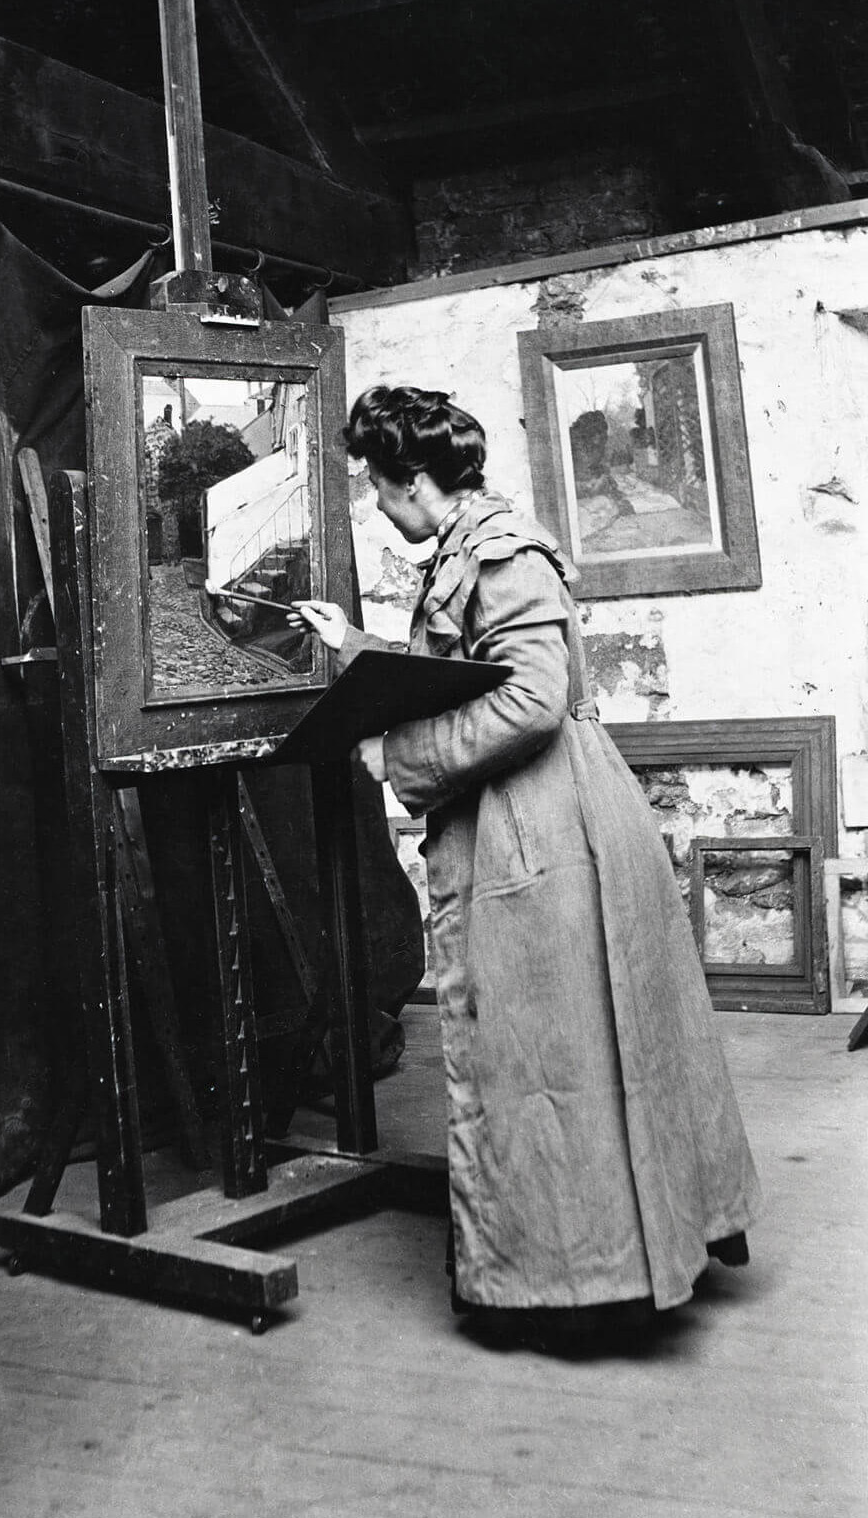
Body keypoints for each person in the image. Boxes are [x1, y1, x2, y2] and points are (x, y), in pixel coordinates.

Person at [289, 384, 760, 1332]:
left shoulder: (501, 553)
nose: (377, 507)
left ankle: (582, 1280)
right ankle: (598, 1255)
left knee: (552, 1057)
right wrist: (358, 646)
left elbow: (530, 702)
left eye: (379, 488)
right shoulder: (473, 541)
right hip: (536, 816)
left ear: (417, 481)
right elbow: (470, 668)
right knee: (567, 1051)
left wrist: (399, 756)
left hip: (545, 826)